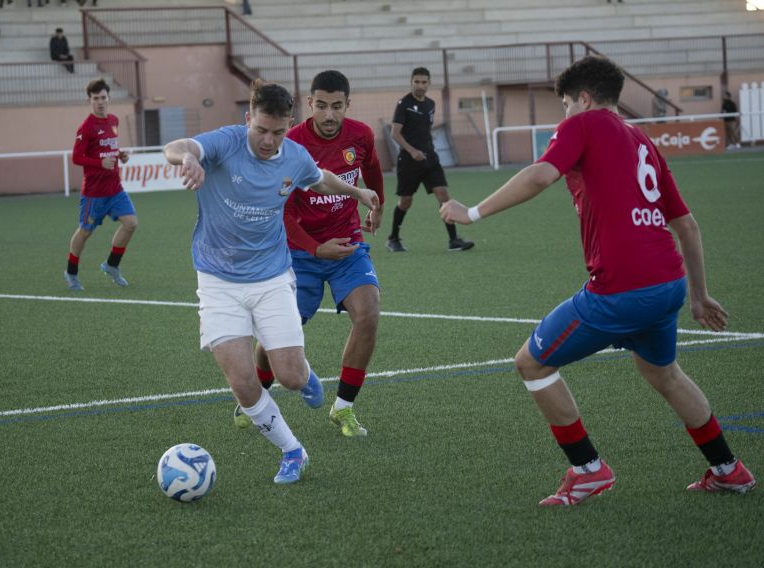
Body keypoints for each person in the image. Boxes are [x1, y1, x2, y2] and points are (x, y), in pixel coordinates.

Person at [441, 55, 756, 506]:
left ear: (584, 99)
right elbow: (685, 224)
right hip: (668, 283)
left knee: (531, 363)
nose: (564, 114)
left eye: (567, 104)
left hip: (621, 289)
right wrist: (698, 295)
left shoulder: (582, 125)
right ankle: (729, 470)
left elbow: (539, 176)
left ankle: (589, 470)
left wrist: (470, 213)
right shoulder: (640, 139)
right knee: (663, 372)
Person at [163, 80, 380, 484]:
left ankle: (305, 374)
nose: (268, 140)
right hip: (217, 282)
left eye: (278, 132)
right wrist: (188, 159)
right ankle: (292, 451)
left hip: (271, 279)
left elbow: (320, 179)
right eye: (261, 130)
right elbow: (178, 147)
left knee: (291, 378)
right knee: (243, 384)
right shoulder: (227, 142)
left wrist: (358, 191)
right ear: (248, 119)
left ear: (289, 125)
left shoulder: (293, 156)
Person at [235, 70, 384, 438]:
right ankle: (256, 396)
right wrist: (316, 248)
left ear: (348, 104)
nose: (329, 115)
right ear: (309, 104)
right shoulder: (291, 143)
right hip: (299, 252)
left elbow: (373, 170)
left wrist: (375, 204)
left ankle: (344, 409)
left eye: (337, 106)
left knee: (368, 314)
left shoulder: (361, 135)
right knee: (276, 336)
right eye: (321, 106)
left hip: (348, 244)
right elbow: (282, 212)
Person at [386, 66, 473, 253]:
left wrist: (426, 148)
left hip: (430, 160)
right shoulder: (404, 104)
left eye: (424, 82)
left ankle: (453, 240)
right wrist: (412, 150)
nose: (420, 85)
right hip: (409, 161)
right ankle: (393, 238)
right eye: (416, 82)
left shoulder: (431, 104)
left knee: (443, 195)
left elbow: (425, 130)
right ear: (411, 82)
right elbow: (395, 133)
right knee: (405, 201)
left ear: (429, 83)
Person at [64, 78, 136, 292]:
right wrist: (99, 163)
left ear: (109, 98)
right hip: (94, 194)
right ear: (90, 101)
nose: (100, 102)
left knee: (131, 223)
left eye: (103, 98)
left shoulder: (113, 120)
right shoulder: (86, 128)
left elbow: (109, 146)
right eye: (96, 99)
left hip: (115, 189)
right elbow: (76, 157)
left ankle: (111, 265)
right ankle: (71, 272)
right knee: (85, 232)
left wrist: (119, 155)